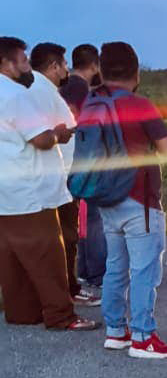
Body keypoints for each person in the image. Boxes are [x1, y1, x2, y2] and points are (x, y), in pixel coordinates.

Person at [93, 41, 167, 358]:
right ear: (136, 72)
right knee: (144, 271)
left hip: (106, 199)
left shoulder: (93, 105)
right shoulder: (140, 105)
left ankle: (116, 331)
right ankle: (144, 337)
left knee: (115, 268)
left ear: (102, 71)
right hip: (140, 201)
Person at [0, 36, 96, 331]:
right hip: (32, 189)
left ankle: (22, 312)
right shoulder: (15, 95)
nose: (27, 66)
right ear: (7, 63)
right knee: (48, 255)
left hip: (7, 189)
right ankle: (60, 315)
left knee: (12, 257)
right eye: (23, 60)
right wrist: (58, 133)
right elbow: (40, 139)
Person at [29, 42, 98, 306]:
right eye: (63, 64)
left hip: (54, 174)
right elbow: (61, 131)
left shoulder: (41, 90)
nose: (66, 70)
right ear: (53, 66)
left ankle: (64, 286)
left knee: (61, 235)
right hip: (60, 174)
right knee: (67, 235)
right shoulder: (43, 91)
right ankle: (68, 289)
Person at [61, 44, 107, 298]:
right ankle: (97, 274)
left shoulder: (66, 87)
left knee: (83, 219)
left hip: (69, 161)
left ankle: (85, 271)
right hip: (85, 161)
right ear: (93, 65)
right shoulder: (82, 90)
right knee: (94, 219)